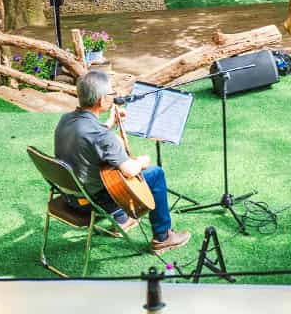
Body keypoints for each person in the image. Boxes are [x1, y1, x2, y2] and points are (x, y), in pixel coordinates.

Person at [55, 71, 191, 254]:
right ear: (102, 101)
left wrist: (109, 123)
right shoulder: (102, 137)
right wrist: (143, 161)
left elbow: (89, 138)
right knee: (156, 174)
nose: (113, 97)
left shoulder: (66, 120)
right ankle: (163, 237)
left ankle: (122, 219)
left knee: (106, 173)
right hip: (93, 203)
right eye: (111, 94)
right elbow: (129, 170)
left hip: (69, 197)